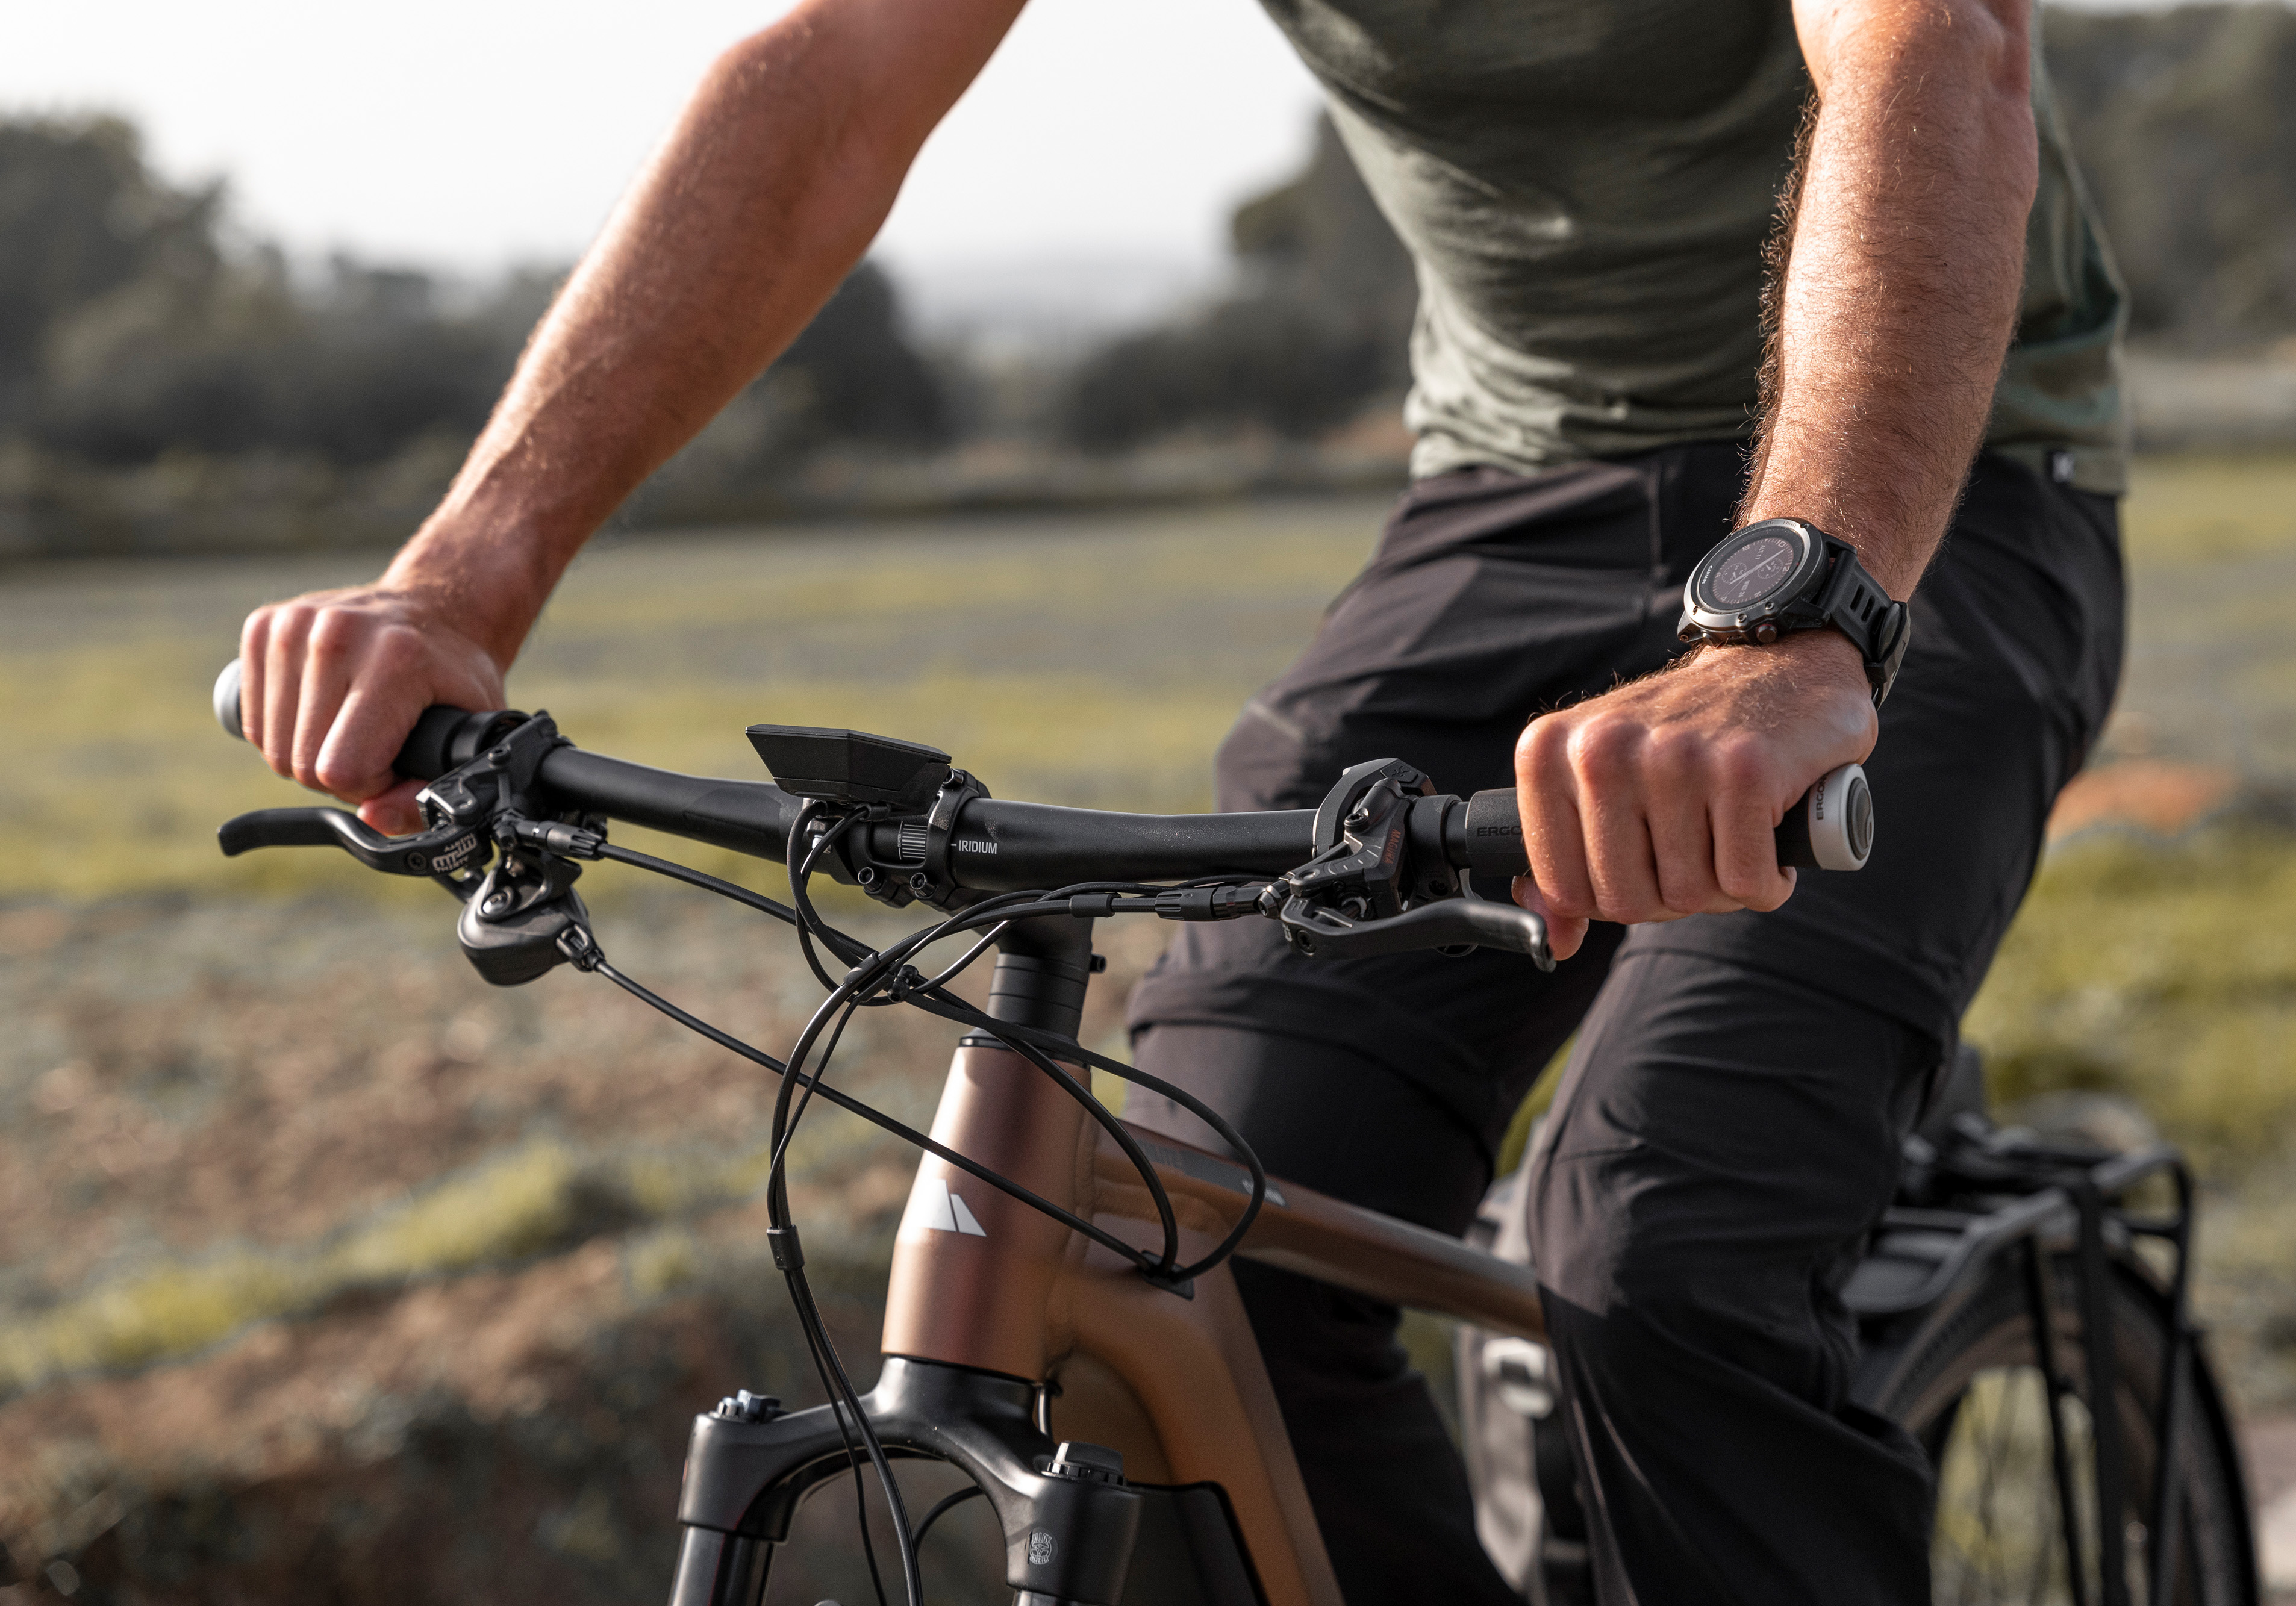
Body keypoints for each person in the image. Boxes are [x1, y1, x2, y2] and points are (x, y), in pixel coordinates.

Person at [234, 1, 2127, 1599]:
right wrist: (459, 581)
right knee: (1171, 1232)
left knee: (1665, 1237)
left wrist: (1803, 614)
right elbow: (837, 74)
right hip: (1519, 499)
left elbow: (1928, 44)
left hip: (1921, 513)